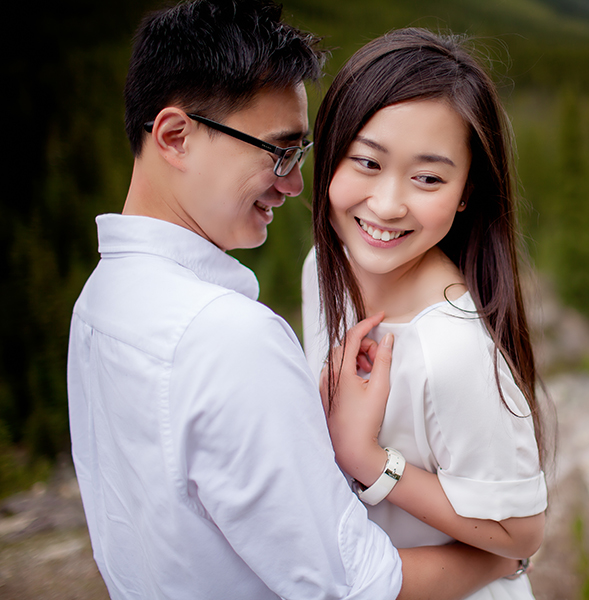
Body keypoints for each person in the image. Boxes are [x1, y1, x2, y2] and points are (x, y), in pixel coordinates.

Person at [66, 2, 518, 598]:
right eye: (279, 151)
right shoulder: (227, 337)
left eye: (302, 155)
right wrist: (497, 561)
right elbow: (348, 584)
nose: (294, 183)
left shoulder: (100, 303)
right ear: (175, 136)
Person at [302, 28, 550, 599]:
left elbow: (522, 533)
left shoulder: (454, 349)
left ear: (466, 192)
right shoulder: (324, 267)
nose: (387, 204)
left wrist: (368, 460)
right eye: (366, 161)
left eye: (429, 178)